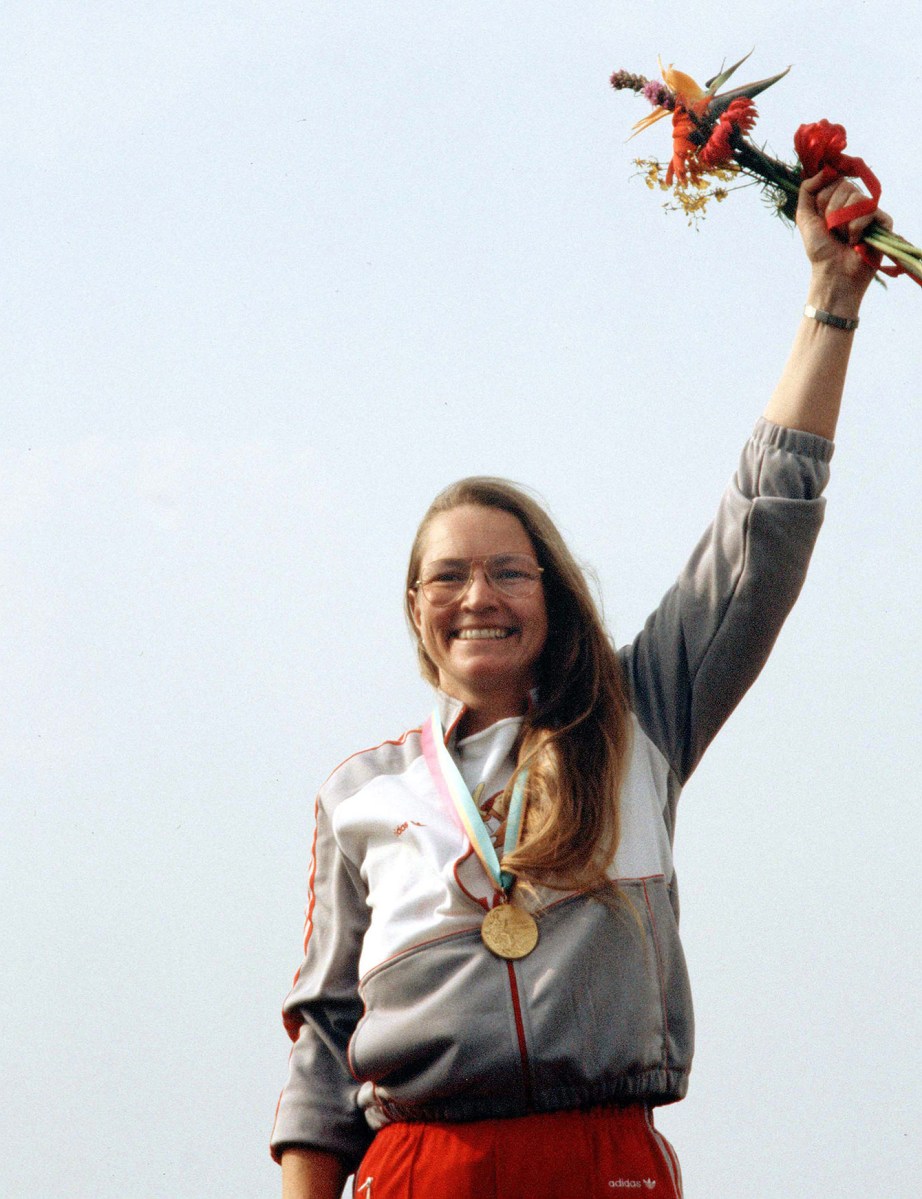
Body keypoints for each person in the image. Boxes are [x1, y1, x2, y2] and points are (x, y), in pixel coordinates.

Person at [271, 173, 888, 1199]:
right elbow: (325, 1034)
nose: (479, 596)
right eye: (448, 576)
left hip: (603, 1160)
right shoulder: (361, 794)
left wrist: (831, 303)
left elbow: (758, 538)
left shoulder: (639, 718)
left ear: (552, 594)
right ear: (414, 605)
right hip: (420, 1162)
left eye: (509, 570)